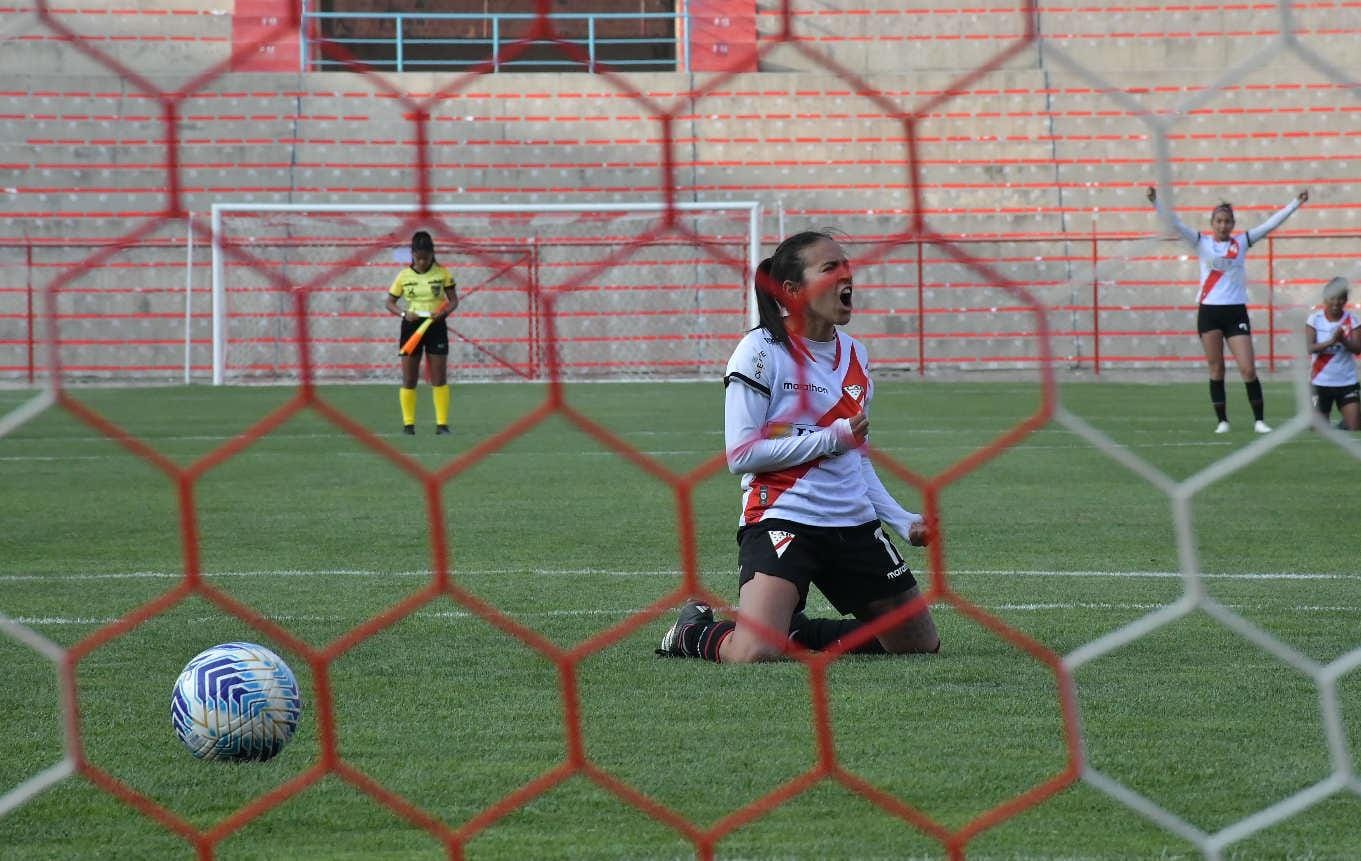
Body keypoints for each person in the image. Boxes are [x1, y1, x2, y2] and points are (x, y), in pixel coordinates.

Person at [656, 231, 939, 664]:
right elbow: (741, 454)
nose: (847, 275)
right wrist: (832, 438)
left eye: (846, 265)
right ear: (792, 290)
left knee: (917, 644)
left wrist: (902, 520)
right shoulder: (759, 351)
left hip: (853, 524)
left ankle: (794, 629)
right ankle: (693, 632)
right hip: (783, 517)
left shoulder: (857, 357)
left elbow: (857, 458)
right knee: (754, 651)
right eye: (830, 268)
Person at [1147, 186, 1308, 435]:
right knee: (1216, 368)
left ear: (1233, 223)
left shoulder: (1242, 242)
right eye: (1219, 221)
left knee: (1248, 368)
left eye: (1227, 221)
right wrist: (1156, 202)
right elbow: (1175, 224)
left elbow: (1271, 224)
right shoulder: (1201, 242)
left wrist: (1295, 204)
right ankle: (1222, 421)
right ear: (1212, 223)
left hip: (1235, 313)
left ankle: (1259, 420)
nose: (1223, 225)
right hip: (1209, 313)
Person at [384, 230, 458, 435]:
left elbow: (453, 300)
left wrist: (443, 313)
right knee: (409, 378)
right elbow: (389, 302)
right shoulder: (403, 276)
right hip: (411, 327)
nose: (423, 262)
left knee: (439, 377)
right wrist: (403, 314)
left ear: (433, 254)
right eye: (419, 258)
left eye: (426, 258)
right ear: (412, 255)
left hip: (436, 325)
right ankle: (409, 425)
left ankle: (441, 425)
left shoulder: (443, 273)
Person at [1306, 276, 1361, 431]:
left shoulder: (1353, 320)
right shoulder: (1314, 319)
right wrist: (1331, 341)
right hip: (1320, 382)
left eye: (1340, 299)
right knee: (1316, 429)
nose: (1336, 303)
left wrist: (1343, 340)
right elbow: (1310, 348)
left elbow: (1358, 349)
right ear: (1325, 299)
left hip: (1346, 382)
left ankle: (1345, 423)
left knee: (1355, 427)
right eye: (1332, 298)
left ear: (1345, 300)